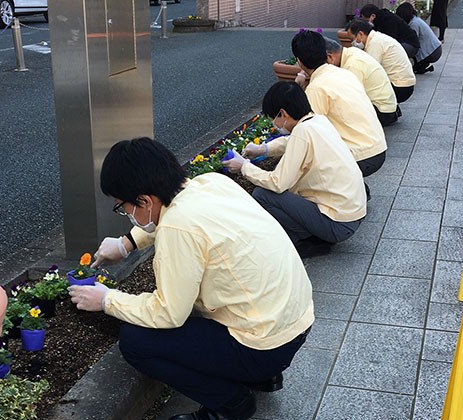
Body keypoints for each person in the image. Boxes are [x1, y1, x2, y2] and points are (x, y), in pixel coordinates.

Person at [69, 137, 314, 420]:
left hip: (263, 347)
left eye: (122, 206)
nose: (125, 213)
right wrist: (127, 243)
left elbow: (168, 313)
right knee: (200, 297)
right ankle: (263, 377)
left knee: (136, 341)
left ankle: (231, 403)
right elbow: (180, 217)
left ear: (144, 200)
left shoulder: (177, 228)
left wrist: (107, 299)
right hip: (296, 321)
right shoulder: (210, 184)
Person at [223, 82, 366, 255]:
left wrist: (244, 167)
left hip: (339, 225)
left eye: (273, 118)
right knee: (287, 192)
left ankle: (308, 239)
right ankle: (315, 234)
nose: (274, 124)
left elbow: (277, 183)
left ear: (283, 113)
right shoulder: (318, 121)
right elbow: (291, 142)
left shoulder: (302, 133)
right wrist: (263, 149)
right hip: (352, 213)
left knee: (263, 195)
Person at [288, 30, 387, 178]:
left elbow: (307, 135)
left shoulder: (316, 88)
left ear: (299, 62)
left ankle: (349, 192)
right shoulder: (344, 73)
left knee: (306, 168)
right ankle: (355, 186)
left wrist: (268, 149)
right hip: (378, 148)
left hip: (361, 156)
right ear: (326, 54)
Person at [322, 36, 400, 126]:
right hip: (387, 106)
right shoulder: (351, 52)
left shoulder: (352, 65)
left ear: (330, 57)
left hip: (381, 111)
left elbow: (351, 99)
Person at [342, 19, 416, 103]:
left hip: (399, 87)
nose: (353, 44)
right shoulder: (377, 38)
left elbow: (369, 71)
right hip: (404, 84)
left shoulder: (375, 44)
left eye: (352, 39)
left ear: (360, 34)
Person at [395, 2, 442, 75]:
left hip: (432, 52)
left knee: (406, 47)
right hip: (436, 49)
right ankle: (421, 65)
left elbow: (412, 41)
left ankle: (421, 64)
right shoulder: (416, 20)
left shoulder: (414, 24)